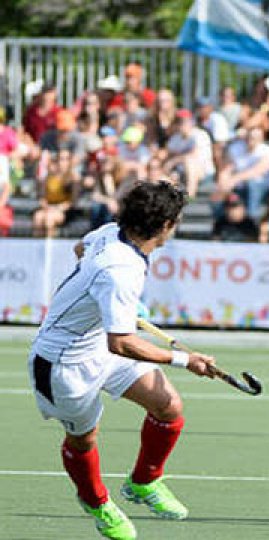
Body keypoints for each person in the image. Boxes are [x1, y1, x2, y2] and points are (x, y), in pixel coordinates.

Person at [27, 181, 216, 540]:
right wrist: (184, 359)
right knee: (84, 439)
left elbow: (79, 248)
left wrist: (101, 300)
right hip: (64, 364)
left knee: (168, 406)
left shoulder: (114, 232)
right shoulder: (121, 271)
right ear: (164, 227)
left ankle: (144, 482)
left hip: (97, 342)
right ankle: (96, 501)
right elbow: (123, 343)